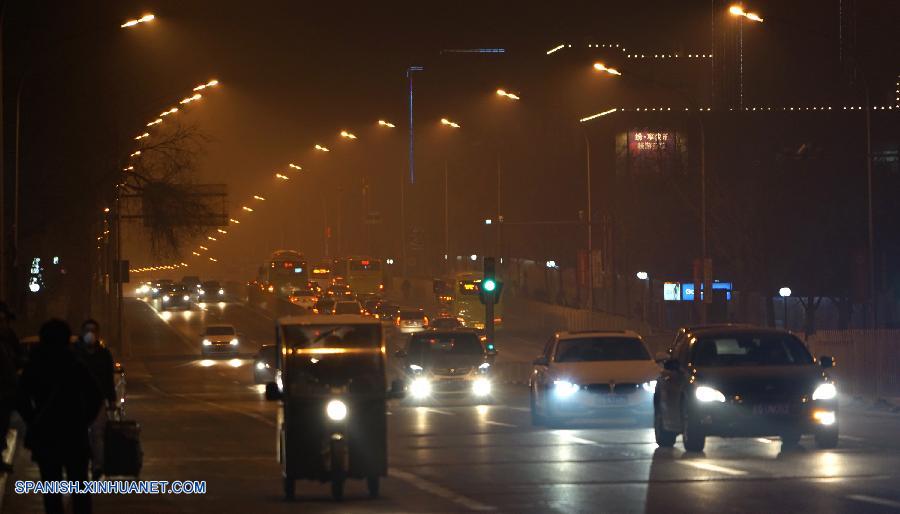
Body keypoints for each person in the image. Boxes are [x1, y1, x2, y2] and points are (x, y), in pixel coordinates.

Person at [17, 319, 102, 514]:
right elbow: (95, 396)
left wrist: (33, 419)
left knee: (51, 492)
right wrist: (83, 420)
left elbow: (20, 398)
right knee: (80, 490)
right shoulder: (75, 365)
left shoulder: (34, 366)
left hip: (46, 436)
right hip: (74, 435)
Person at [73, 319, 117, 479]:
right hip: (77, 401)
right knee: (80, 435)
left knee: (98, 434)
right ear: (82, 332)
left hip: (98, 401)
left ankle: (98, 466)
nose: (90, 334)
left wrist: (112, 399)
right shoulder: (75, 353)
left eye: (93, 330)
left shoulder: (104, 354)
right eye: (87, 330)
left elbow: (108, 379)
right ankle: (80, 465)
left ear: (98, 334)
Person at [0, 302, 21, 474]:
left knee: (2, 425)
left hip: (5, 393)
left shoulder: (7, 339)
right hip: (4, 391)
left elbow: (18, 355)